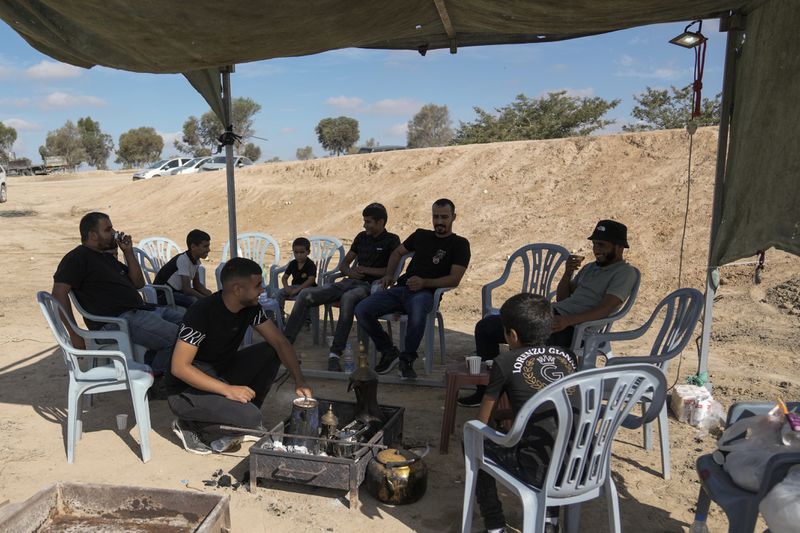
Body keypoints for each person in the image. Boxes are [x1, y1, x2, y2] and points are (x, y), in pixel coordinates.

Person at [459, 219, 637, 407]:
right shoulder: (590, 267)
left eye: (601, 245)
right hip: (555, 315)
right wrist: (568, 273)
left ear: (619, 247)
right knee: (487, 327)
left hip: (577, 328)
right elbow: (563, 298)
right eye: (594, 244)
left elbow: (606, 309)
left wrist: (568, 321)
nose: (595, 249)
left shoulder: (625, 273)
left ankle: (510, 400)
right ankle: (485, 391)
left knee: (522, 341)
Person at [167, 257, 312, 455]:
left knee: (270, 350)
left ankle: (245, 412)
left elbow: (280, 342)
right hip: (187, 390)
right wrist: (228, 389)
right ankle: (188, 424)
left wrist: (299, 380)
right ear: (237, 289)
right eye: (258, 285)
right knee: (251, 419)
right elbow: (179, 367)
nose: (263, 289)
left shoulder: (250, 308)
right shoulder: (201, 313)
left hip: (220, 373)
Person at [473, 293, 578, 533]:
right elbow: (550, 406)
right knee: (553, 441)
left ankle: (495, 525)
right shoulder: (569, 356)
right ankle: (550, 521)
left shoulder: (505, 360)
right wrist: (510, 413)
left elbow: (482, 422)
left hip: (536, 468)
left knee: (473, 439)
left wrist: (493, 421)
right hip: (579, 464)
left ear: (512, 335)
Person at [51, 212, 184, 373]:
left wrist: (128, 252)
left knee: (194, 327)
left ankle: (153, 362)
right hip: (117, 321)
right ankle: (155, 379)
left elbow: (138, 283)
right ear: (93, 235)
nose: (114, 233)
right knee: (180, 339)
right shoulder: (77, 258)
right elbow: (58, 294)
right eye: (108, 230)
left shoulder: (106, 257)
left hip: (143, 310)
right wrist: (73, 333)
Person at [355, 198, 470, 380]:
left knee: (417, 311)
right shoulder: (420, 235)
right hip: (401, 288)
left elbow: (454, 279)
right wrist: (389, 275)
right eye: (436, 217)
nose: (439, 221)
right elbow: (397, 253)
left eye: (444, 217)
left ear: (453, 217)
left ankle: (406, 360)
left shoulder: (460, 244)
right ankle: (388, 350)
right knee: (362, 309)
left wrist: (424, 283)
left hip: (426, 293)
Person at [283, 203, 400, 372]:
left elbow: (390, 271)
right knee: (306, 294)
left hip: (371, 287)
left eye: (368, 222)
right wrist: (350, 273)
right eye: (364, 221)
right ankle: (284, 346)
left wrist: (366, 270)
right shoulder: (361, 237)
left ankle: (335, 355)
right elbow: (344, 265)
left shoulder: (392, 240)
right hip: (349, 282)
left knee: (348, 298)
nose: (364, 225)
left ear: (381, 222)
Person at [153, 229, 213, 308]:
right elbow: (187, 289)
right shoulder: (183, 260)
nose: (209, 250)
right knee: (195, 301)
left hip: (177, 292)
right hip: (164, 294)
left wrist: (211, 296)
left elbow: (197, 285)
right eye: (205, 246)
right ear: (193, 247)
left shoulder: (196, 260)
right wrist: (204, 299)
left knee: (209, 296)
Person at [274, 237, 317, 318]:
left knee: (304, 296)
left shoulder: (310, 264)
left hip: (308, 288)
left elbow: (311, 280)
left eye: (302, 252)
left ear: (308, 252)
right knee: (279, 293)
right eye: (296, 252)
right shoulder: (293, 263)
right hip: (295, 287)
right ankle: (280, 316)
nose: (299, 255)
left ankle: (306, 319)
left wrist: (296, 290)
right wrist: (286, 288)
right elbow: (284, 278)